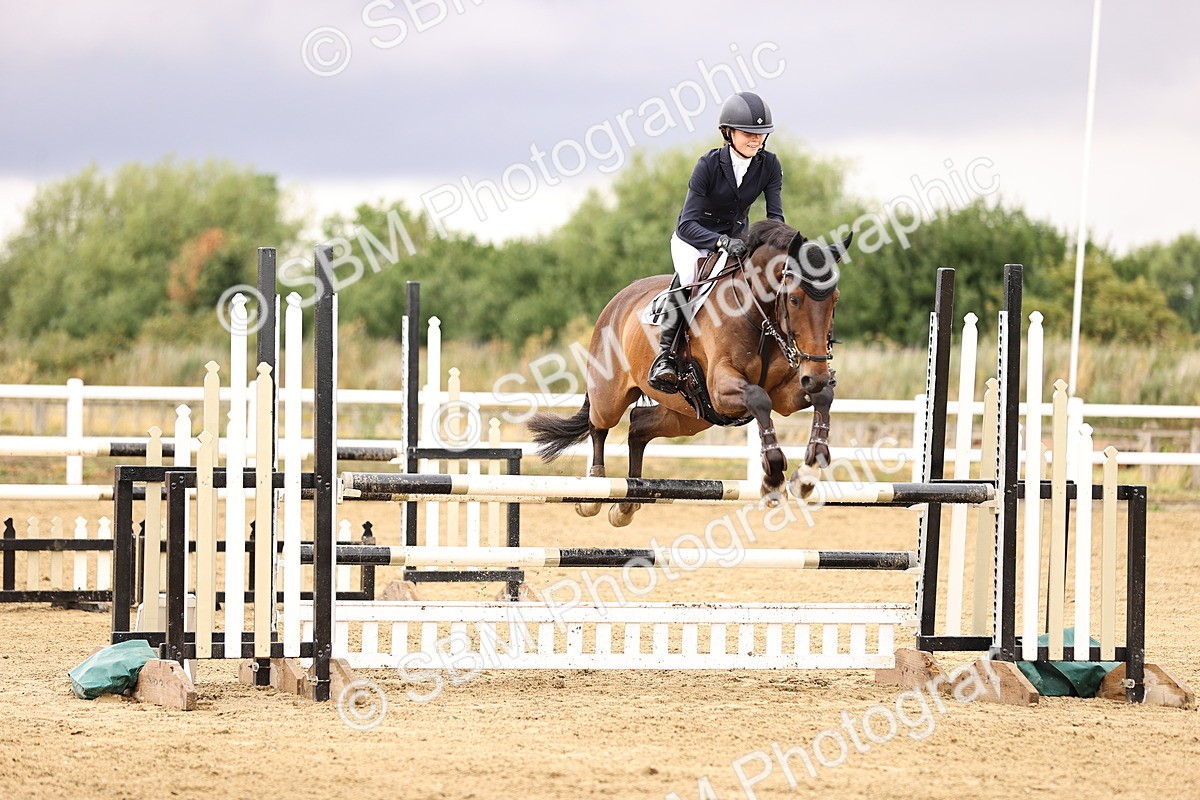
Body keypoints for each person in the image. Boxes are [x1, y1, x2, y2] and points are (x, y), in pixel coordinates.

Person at [647, 91, 785, 394]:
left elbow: (776, 218)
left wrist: (784, 249)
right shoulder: (708, 165)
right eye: (749, 133)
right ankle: (665, 357)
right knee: (689, 280)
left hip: (736, 242)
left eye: (761, 134)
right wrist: (721, 241)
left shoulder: (770, 166)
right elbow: (687, 223)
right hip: (694, 240)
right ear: (729, 132)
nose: (756, 140)